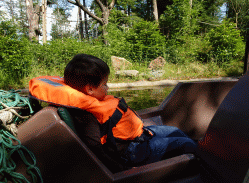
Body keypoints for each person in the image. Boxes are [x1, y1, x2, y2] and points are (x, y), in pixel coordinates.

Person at [29, 54, 197, 173]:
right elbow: (95, 148)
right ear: (90, 89)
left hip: (141, 136)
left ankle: (196, 147)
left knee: (176, 131)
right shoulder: (86, 116)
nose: (108, 88)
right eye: (105, 84)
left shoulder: (92, 99)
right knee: (187, 145)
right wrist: (122, 171)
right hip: (132, 152)